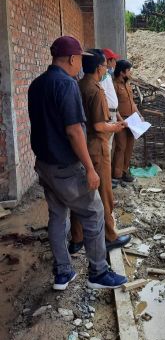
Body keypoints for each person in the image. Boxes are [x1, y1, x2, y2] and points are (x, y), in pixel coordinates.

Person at [28, 36, 127, 290]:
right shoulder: (67, 85)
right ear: (72, 59)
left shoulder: (36, 85)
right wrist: (91, 169)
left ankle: (62, 273)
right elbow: (74, 131)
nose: (80, 66)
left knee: (58, 217)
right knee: (93, 212)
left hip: (45, 164)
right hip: (66, 166)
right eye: (79, 60)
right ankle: (98, 273)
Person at [69, 50, 131, 253]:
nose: (107, 68)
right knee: (104, 193)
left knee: (80, 194)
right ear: (98, 68)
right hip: (96, 147)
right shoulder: (95, 90)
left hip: (81, 147)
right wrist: (115, 127)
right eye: (105, 65)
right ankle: (109, 236)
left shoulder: (78, 85)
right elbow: (98, 126)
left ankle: (77, 238)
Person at [112, 60, 140, 183]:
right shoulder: (114, 85)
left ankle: (125, 171)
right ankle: (117, 174)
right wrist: (121, 121)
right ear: (122, 72)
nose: (130, 73)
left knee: (129, 146)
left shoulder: (128, 84)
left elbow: (132, 102)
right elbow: (114, 107)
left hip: (132, 120)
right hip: (121, 121)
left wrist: (139, 115)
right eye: (128, 71)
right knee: (120, 147)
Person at [100, 48, 124, 154]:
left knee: (109, 146)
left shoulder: (108, 75)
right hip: (107, 114)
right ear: (108, 61)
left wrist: (119, 118)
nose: (115, 63)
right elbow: (102, 97)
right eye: (113, 60)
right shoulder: (102, 77)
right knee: (106, 146)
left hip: (112, 113)